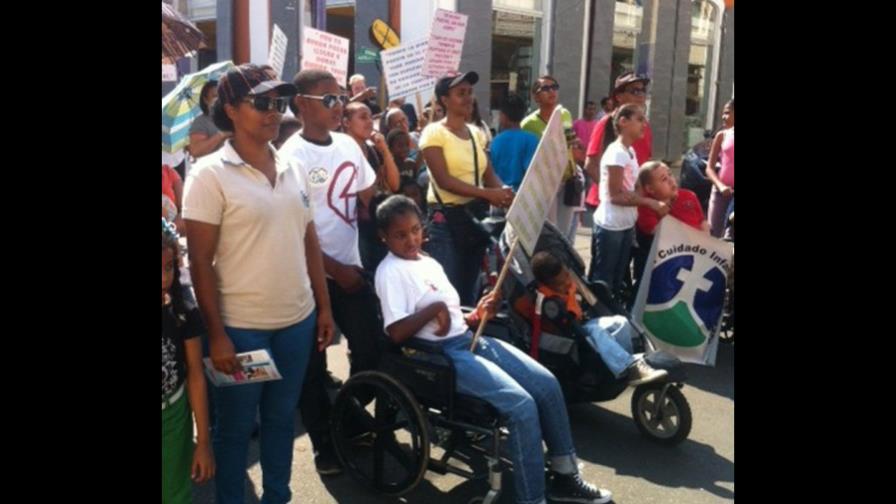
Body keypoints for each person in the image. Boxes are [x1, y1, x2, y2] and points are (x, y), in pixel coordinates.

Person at [374, 195, 612, 504]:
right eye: (400, 235)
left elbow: (454, 317)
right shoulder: (390, 272)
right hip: (440, 356)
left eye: (415, 230)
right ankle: (532, 499)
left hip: (470, 339)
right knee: (521, 407)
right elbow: (395, 333)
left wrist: (477, 313)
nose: (411, 239)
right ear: (383, 237)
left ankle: (565, 476)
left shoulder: (428, 262)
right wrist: (435, 309)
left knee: (547, 384)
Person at [183, 64, 335, 504]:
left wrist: (323, 307)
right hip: (240, 330)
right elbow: (199, 262)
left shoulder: (292, 165)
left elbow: (309, 240)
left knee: (281, 420)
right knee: (233, 430)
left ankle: (277, 497)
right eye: (262, 102)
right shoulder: (208, 175)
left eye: (279, 102)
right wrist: (217, 334)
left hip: (297, 324)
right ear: (230, 109)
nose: (274, 111)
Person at [280, 69, 385, 476]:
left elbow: (367, 199)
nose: (338, 105)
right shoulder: (290, 157)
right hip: (307, 279)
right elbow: (293, 230)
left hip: (352, 272)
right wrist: (335, 270)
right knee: (311, 368)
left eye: (340, 97)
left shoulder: (347, 145)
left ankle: (349, 416)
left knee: (371, 349)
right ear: (301, 105)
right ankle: (325, 444)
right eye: (328, 99)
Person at [420, 71, 514, 305]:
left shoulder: (476, 133)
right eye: (461, 93)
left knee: (469, 291)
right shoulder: (434, 133)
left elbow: (489, 174)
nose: (468, 98)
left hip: (473, 219)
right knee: (447, 294)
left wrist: (506, 194)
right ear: (444, 100)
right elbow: (444, 180)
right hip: (445, 222)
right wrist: (488, 194)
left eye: (470, 92)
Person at [521, 250, 668, 385]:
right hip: (570, 334)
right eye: (561, 283)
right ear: (548, 284)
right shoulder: (548, 302)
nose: (567, 282)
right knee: (596, 331)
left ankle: (627, 362)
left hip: (585, 323)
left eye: (566, 276)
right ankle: (629, 367)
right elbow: (558, 326)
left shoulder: (569, 284)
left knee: (621, 322)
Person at [588, 104, 669, 299]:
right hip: (611, 226)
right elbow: (615, 196)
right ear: (623, 122)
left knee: (617, 280)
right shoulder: (617, 152)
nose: (644, 124)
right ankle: (599, 314)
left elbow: (633, 188)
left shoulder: (629, 151)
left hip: (625, 224)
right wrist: (649, 203)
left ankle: (613, 312)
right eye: (639, 119)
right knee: (604, 280)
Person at [162, 219, 214, 504]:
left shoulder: (182, 306)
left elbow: (195, 372)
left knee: (174, 495)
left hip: (172, 416)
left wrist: (203, 442)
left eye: (168, 267)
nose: (163, 278)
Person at [343, 101, 401, 273]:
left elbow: (394, 184)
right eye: (362, 117)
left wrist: (384, 150)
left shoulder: (373, 150)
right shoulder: (342, 152)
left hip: (375, 225)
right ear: (346, 122)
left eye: (370, 117)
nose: (369, 122)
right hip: (355, 230)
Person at [633, 161, 709, 291]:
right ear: (650, 189)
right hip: (671, 260)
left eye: (670, 174)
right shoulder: (647, 208)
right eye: (663, 179)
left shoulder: (689, 195)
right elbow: (659, 233)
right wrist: (664, 205)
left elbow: (703, 224)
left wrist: (705, 245)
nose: (671, 180)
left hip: (700, 253)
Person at [584, 73, 653, 211]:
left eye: (643, 90)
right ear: (619, 96)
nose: (641, 95)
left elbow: (645, 163)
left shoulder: (645, 126)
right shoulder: (606, 123)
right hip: (607, 207)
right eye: (635, 91)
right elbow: (590, 166)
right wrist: (614, 193)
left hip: (634, 204)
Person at [521, 75, 580, 237]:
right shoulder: (528, 124)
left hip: (568, 178)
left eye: (554, 87)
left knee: (565, 231)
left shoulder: (565, 114)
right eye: (546, 88)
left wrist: (575, 144)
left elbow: (571, 140)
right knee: (550, 230)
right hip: (545, 183)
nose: (552, 91)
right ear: (536, 97)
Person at [489, 94, 539, 192]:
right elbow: (532, 171)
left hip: (500, 194)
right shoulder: (532, 139)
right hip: (524, 195)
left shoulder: (496, 141)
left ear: (503, 116)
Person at [705, 99, 734, 238]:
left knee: (730, 237)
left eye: (727, 113)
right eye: (723, 113)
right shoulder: (722, 135)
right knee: (714, 234)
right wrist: (720, 186)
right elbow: (709, 168)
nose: (723, 117)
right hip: (720, 193)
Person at [189, 80, 231, 159]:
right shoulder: (200, 122)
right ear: (205, 99)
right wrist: (221, 135)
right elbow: (196, 151)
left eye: (222, 96)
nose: (219, 99)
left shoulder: (231, 116)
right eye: (215, 96)